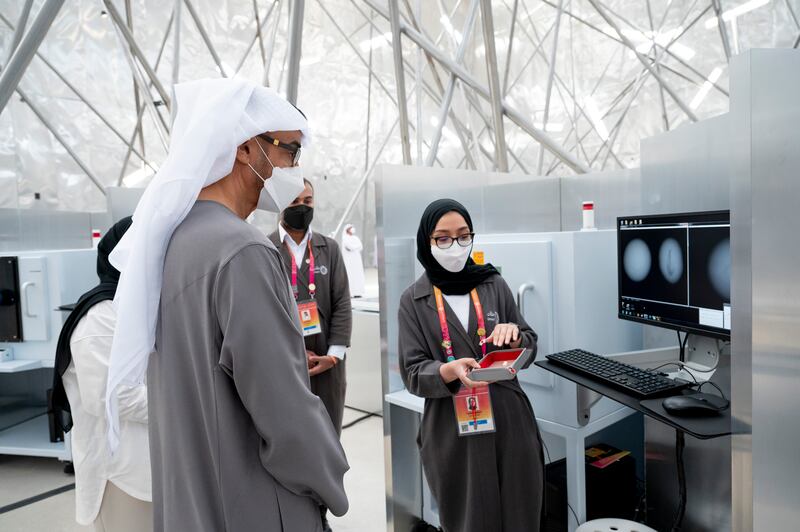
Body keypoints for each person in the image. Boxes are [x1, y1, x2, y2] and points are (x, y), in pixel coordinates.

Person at [104, 78, 349, 532]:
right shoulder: (242, 251)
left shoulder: (175, 241)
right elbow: (285, 411)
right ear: (245, 148)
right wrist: (330, 478)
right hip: (252, 501)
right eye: (289, 151)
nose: (293, 169)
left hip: (195, 499)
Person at [397, 199, 545, 532]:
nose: (455, 246)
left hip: (510, 420)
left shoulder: (493, 283)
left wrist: (516, 336)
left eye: (464, 236)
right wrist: (448, 371)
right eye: (443, 238)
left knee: (522, 515)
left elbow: (530, 342)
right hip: (453, 427)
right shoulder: (413, 300)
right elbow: (412, 372)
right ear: (427, 241)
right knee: (469, 520)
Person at [51, 217, 153, 532]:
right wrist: (186, 396)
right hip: (121, 477)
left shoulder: (138, 308)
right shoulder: (99, 317)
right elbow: (111, 397)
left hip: (151, 469)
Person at [269, 180, 352, 532]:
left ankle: (321, 511)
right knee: (289, 440)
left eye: (308, 200)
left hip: (327, 369)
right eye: (295, 200)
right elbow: (262, 312)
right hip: (284, 369)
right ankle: (293, 511)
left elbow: (343, 306)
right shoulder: (264, 248)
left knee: (327, 439)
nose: (303, 206)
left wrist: (332, 356)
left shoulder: (328, 249)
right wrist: (284, 357)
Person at [341, 224, 365, 297]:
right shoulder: (345, 238)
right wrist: (355, 247)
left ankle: (358, 292)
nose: (353, 229)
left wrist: (354, 247)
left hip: (357, 260)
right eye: (351, 228)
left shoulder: (355, 238)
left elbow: (360, 246)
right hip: (349, 260)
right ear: (347, 229)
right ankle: (350, 292)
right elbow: (349, 247)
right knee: (350, 274)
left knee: (357, 275)